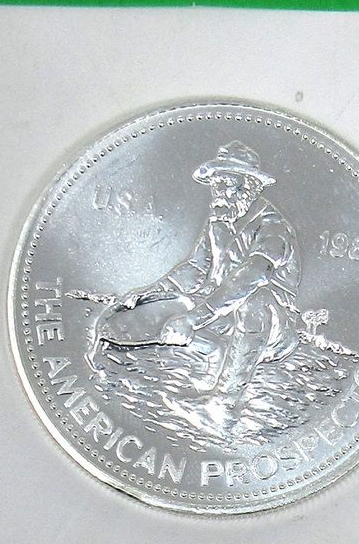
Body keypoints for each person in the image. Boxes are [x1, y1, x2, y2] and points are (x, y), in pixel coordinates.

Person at [111, 141, 301, 402]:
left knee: (254, 300)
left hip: (267, 326)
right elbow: (195, 269)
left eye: (226, 183)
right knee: (126, 320)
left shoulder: (273, 227)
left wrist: (193, 320)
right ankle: (213, 351)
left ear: (249, 186)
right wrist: (150, 293)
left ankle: (226, 400)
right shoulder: (219, 222)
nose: (218, 192)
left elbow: (252, 276)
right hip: (217, 314)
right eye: (215, 184)